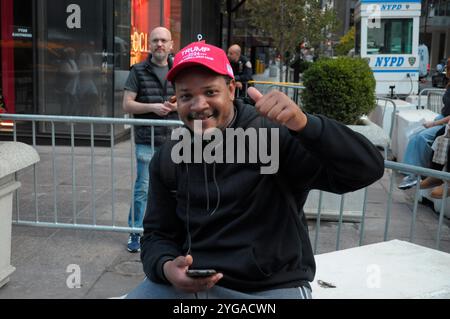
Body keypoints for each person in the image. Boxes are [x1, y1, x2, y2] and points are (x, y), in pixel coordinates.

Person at [125, 41, 384, 299]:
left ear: (231, 89)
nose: (198, 105)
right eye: (186, 96)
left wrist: (306, 125)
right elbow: (157, 235)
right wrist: (167, 267)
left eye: (210, 92)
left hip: (271, 287)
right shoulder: (169, 157)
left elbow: (367, 169)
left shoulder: (274, 135)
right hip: (194, 283)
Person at [122, 27, 177, 253]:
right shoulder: (138, 70)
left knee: (175, 188)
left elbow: (190, 100)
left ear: (171, 45)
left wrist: (177, 106)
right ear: (150, 44)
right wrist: (152, 107)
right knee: (143, 188)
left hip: (175, 140)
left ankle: (171, 233)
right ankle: (135, 233)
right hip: (147, 138)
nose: (159, 44)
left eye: (164, 40)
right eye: (155, 40)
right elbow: (127, 104)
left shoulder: (179, 70)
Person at [399, 57, 450, 190]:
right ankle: (411, 173)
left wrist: (434, 124)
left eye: (447, 68)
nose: (446, 71)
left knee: (422, 138)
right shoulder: (449, 84)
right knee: (413, 136)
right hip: (442, 118)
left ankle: (419, 174)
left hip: (445, 122)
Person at [59, 47, 79, 116]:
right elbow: (70, 74)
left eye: (74, 53)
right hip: (66, 87)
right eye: (73, 53)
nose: (74, 54)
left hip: (72, 87)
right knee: (66, 103)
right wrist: (79, 72)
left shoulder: (72, 62)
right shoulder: (65, 63)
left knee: (74, 102)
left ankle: (69, 116)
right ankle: (65, 118)